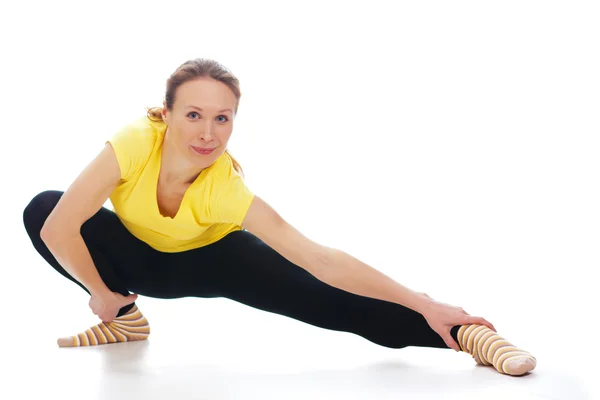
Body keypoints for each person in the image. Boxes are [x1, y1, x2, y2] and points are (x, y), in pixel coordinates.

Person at [22, 58, 536, 376]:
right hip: (138, 259)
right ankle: (126, 322)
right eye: (194, 114)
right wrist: (102, 294)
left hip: (214, 262)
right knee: (44, 205)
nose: (208, 133)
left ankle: (465, 337)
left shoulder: (224, 187)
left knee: (334, 304)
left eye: (222, 118)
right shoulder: (135, 142)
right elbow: (57, 227)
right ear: (167, 112)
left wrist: (422, 302)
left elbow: (318, 258)